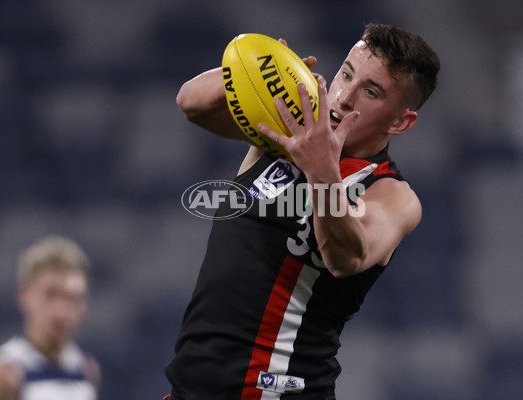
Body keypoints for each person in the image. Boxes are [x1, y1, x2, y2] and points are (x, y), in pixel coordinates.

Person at [167, 23, 440, 399]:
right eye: (346, 73)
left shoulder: (391, 194)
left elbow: (346, 257)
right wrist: (260, 68)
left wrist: (320, 168)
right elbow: (192, 103)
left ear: (400, 121)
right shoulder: (284, 132)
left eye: (371, 92)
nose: (343, 97)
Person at [0, 235, 101, 400]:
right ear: (25, 297)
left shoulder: (86, 370)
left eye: (71, 298)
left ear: (84, 304)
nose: (61, 310)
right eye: (50, 295)